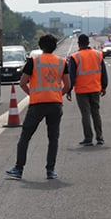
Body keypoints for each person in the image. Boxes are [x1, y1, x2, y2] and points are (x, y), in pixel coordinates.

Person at [7, 34, 72, 180]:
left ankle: (18, 168)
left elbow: (23, 82)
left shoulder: (34, 61)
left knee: (25, 136)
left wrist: (33, 94)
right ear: (55, 47)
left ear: (40, 46)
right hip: (55, 104)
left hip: (37, 104)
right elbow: (67, 85)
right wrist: (57, 95)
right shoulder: (62, 62)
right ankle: (50, 170)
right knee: (53, 138)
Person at [65, 33, 108, 146]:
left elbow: (71, 76)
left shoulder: (75, 57)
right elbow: (103, 72)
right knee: (96, 113)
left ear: (79, 44)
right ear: (89, 43)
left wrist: (68, 90)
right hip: (95, 89)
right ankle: (100, 137)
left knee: (85, 114)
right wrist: (104, 86)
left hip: (81, 91)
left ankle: (88, 138)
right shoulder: (98, 55)